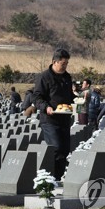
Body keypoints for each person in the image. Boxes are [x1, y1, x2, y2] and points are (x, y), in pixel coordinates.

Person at [32, 48, 75, 180]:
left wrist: (78, 99)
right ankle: (49, 177)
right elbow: (37, 97)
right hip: (50, 119)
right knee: (55, 147)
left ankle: (57, 177)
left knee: (65, 150)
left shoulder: (67, 77)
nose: (65, 66)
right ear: (54, 62)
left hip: (64, 119)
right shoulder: (44, 77)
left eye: (67, 64)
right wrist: (46, 108)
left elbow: (68, 96)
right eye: (63, 64)